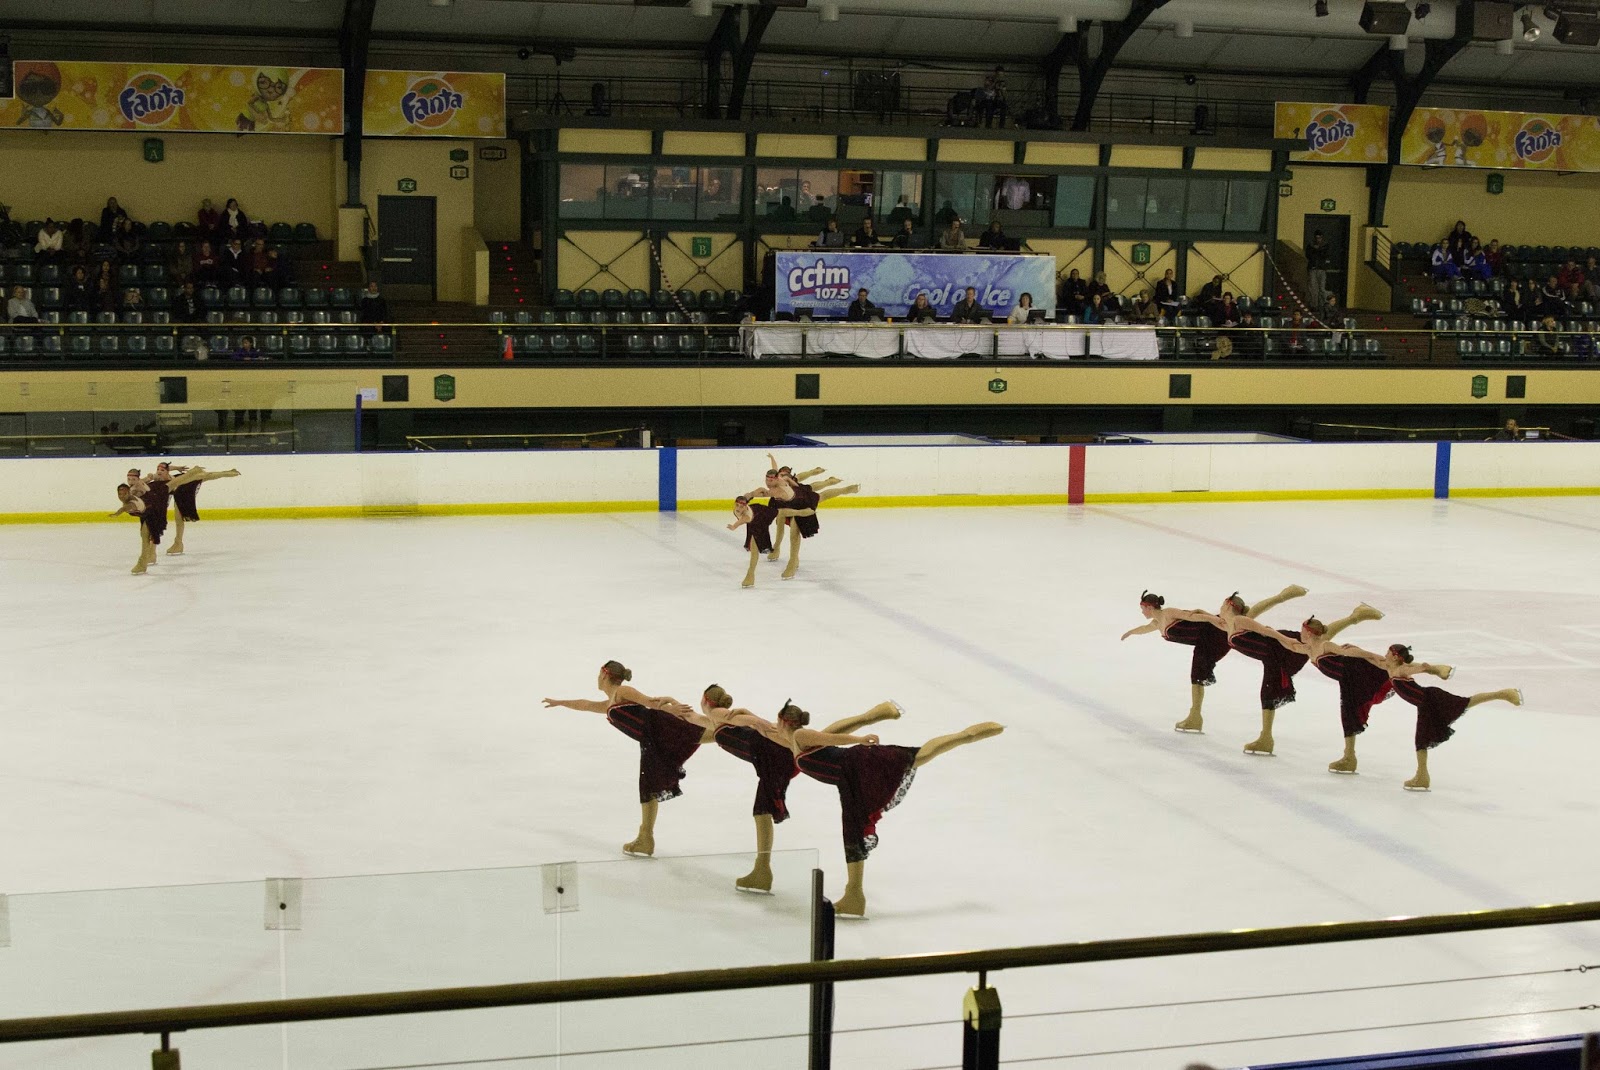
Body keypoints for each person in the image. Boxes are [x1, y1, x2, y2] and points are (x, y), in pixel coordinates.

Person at [757, 699, 1003, 916]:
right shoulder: (795, 741)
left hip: (857, 765)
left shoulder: (801, 736)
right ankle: (854, 895)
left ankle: (967, 735)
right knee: (854, 831)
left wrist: (860, 739)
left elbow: (832, 737)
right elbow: (838, 728)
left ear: (783, 722)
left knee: (917, 758)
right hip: (850, 778)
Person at [697, 685, 902, 893]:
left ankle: (762, 871)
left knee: (763, 810)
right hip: (769, 753)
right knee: (821, 739)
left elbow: (745, 723)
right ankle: (876, 713)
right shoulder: (713, 721)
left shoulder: (716, 713)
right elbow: (705, 729)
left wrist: (757, 721)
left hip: (772, 755)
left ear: (705, 701)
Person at [542, 661, 701, 856]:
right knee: (648, 787)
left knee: (709, 733)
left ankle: (645, 837)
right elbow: (586, 704)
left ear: (603, 675)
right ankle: (645, 838)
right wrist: (560, 703)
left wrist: (671, 709)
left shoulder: (623, 691)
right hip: (651, 740)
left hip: (662, 729)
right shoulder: (610, 702)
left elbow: (651, 702)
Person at [1383, 645, 1521, 790]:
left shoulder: (1401, 669)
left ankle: (1504, 694)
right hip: (1425, 706)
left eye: (1387, 653)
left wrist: (1426, 668)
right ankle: (1422, 776)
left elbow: (1413, 669)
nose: (1385, 655)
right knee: (1421, 741)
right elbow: (1377, 659)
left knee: (1466, 703)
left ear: (1395, 656)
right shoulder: (1391, 668)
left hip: (1431, 699)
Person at [164, 464, 242, 555]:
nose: (160, 471)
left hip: (185, 489)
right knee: (178, 518)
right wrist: (177, 468)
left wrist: (179, 469)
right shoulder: (160, 477)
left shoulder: (188, 479)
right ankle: (178, 543)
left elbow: (205, 476)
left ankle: (178, 543)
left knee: (179, 518)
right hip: (180, 487)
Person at [1306, 232, 1330, 313]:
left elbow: (1326, 255)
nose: (1318, 239)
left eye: (1319, 238)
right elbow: (1308, 255)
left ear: (1322, 238)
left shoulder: (1325, 246)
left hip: (1321, 268)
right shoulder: (1310, 246)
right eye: (1316, 238)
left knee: (1322, 288)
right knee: (1313, 288)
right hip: (1313, 268)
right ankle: (1314, 305)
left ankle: (1323, 305)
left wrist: (1317, 250)